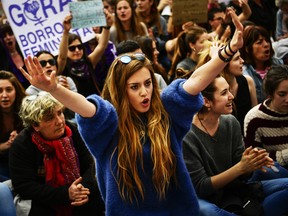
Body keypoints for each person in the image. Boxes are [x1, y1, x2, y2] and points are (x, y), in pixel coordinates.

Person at [20, 7, 244, 215]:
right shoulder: (109, 122)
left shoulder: (167, 111)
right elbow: (86, 108)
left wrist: (229, 50)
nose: (145, 92)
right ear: (121, 90)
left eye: (147, 83)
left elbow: (195, 80)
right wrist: (53, 88)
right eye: (134, 87)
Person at [182, 74, 288, 216]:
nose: (231, 96)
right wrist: (241, 167)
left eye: (229, 90)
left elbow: (242, 175)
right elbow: (201, 187)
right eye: (224, 93)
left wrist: (253, 162)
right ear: (206, 101)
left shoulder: (230, 122)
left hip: (235, 190)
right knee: (207, 211)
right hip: (207, 198)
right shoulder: (187, 135)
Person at [9, 93, 105, 216]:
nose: (59, 122)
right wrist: (66, 194)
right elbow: (24, 186)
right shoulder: (22, 144)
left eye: (59, 113)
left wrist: (81, 191)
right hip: (44, 199)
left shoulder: (74, 131)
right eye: (50, 118)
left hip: (80, 192)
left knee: (96, 201)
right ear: (35, 125)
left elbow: (92, 166)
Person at [244, 65, 288, 173]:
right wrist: (285, 155)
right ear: (270, 94)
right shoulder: (254, 119)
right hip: (273, 170)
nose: (287, 100)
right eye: (282, 94)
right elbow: (254, 159)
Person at [57, 10, 113, 97]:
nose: (77, 50)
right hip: (76, 108)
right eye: (72, 48)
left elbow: (102, 46)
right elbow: (62, 57)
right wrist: (66, 32)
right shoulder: (62, 67)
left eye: (80, 47)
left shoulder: (89, 62)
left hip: (96, 104)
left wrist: (107, 27)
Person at [240, 25, 283, 103]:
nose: (266, 44)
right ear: (247, 49)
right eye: (259, 42)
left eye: (267, 40)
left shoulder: (278, 63)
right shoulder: (244, 73)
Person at [0, 70, 25, 182]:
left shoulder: (27, 108)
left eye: (9, 90)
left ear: (16, 91)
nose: (4, 95)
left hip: (24, 159)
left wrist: (22, 137)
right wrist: (6, 145)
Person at [136, 0, 171, 72]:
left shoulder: (161, 20)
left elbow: (165, 44)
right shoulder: (134, 20)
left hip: (158, 55)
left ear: (151, 2)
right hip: (138, 54)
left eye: (142, 0)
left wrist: (155, 40)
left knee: (166, 63)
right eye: (137, 0)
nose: (139, 3)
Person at [0, 23, 29, 89]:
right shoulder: (2, 61)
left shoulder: (26, 53)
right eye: (4, 36)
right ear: (1, 40)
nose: (8, 37)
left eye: (10, 34)